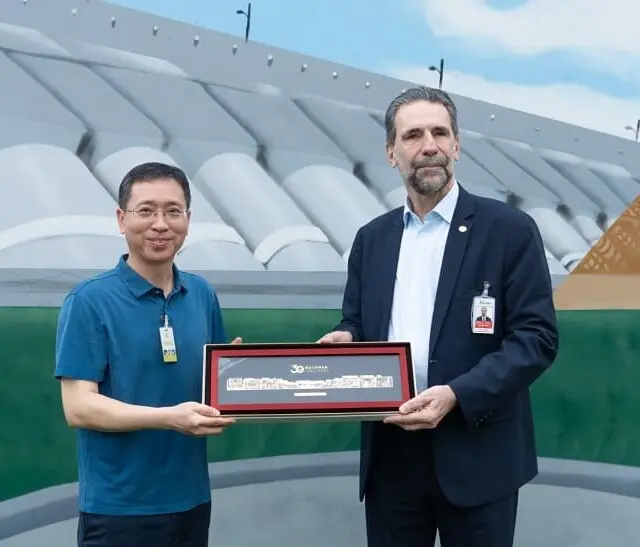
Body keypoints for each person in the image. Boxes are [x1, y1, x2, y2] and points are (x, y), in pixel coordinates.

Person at [317, 87, 559, 547]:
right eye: (413, 135)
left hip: (478, 452)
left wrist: (457, 395)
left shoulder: (508, 230)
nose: (429, 145)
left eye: (439, 133)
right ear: (391, 153)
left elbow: (536, 338)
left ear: (457, 145)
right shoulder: (372, 239)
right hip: (392, 457)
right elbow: (357, 322)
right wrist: (346, 338)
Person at [55, 161, 241, 547]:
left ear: (188, 220)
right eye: (146, 211)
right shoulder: (89, 300)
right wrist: (168, 418)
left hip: (192, 501)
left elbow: (211, 388)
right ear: (121, 219)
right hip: (119, 509)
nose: (160, 224)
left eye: (173, 211)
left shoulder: (201, 294)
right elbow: (79, 408)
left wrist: (234, 381)